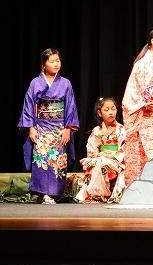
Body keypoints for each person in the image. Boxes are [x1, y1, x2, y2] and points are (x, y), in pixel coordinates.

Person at [18, 48, 80, 205]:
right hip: (41, 128)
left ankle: (55, 192)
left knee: (57, 160)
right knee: (42, 160)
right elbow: (29, 105)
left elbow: (70, 107)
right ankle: (45, 194)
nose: (56, 64)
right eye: (51, 61)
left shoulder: (66, 83)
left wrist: (68, 128)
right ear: (44, 64)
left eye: (57, 61)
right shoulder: (35, 83)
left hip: (60, 128)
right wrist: (31, 127)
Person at [122, 27, 153, 184]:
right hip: (142, 118)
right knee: (140, 157)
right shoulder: (141, 65)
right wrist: (144, 104)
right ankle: (138, 189)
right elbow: (130, 95)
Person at [76, 97, 127, 203]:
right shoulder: (96, 131)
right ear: (100, 113)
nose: (110, 112)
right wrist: (99, 155)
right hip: (100, 159)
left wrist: (110, 155)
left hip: (115, 162)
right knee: (89, 162)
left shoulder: (121, 129)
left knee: (102, 163)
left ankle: (100, 194)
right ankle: (99, 193)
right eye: (106, 110)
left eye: (113, 109)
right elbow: (91, 150)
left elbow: (124, 149)